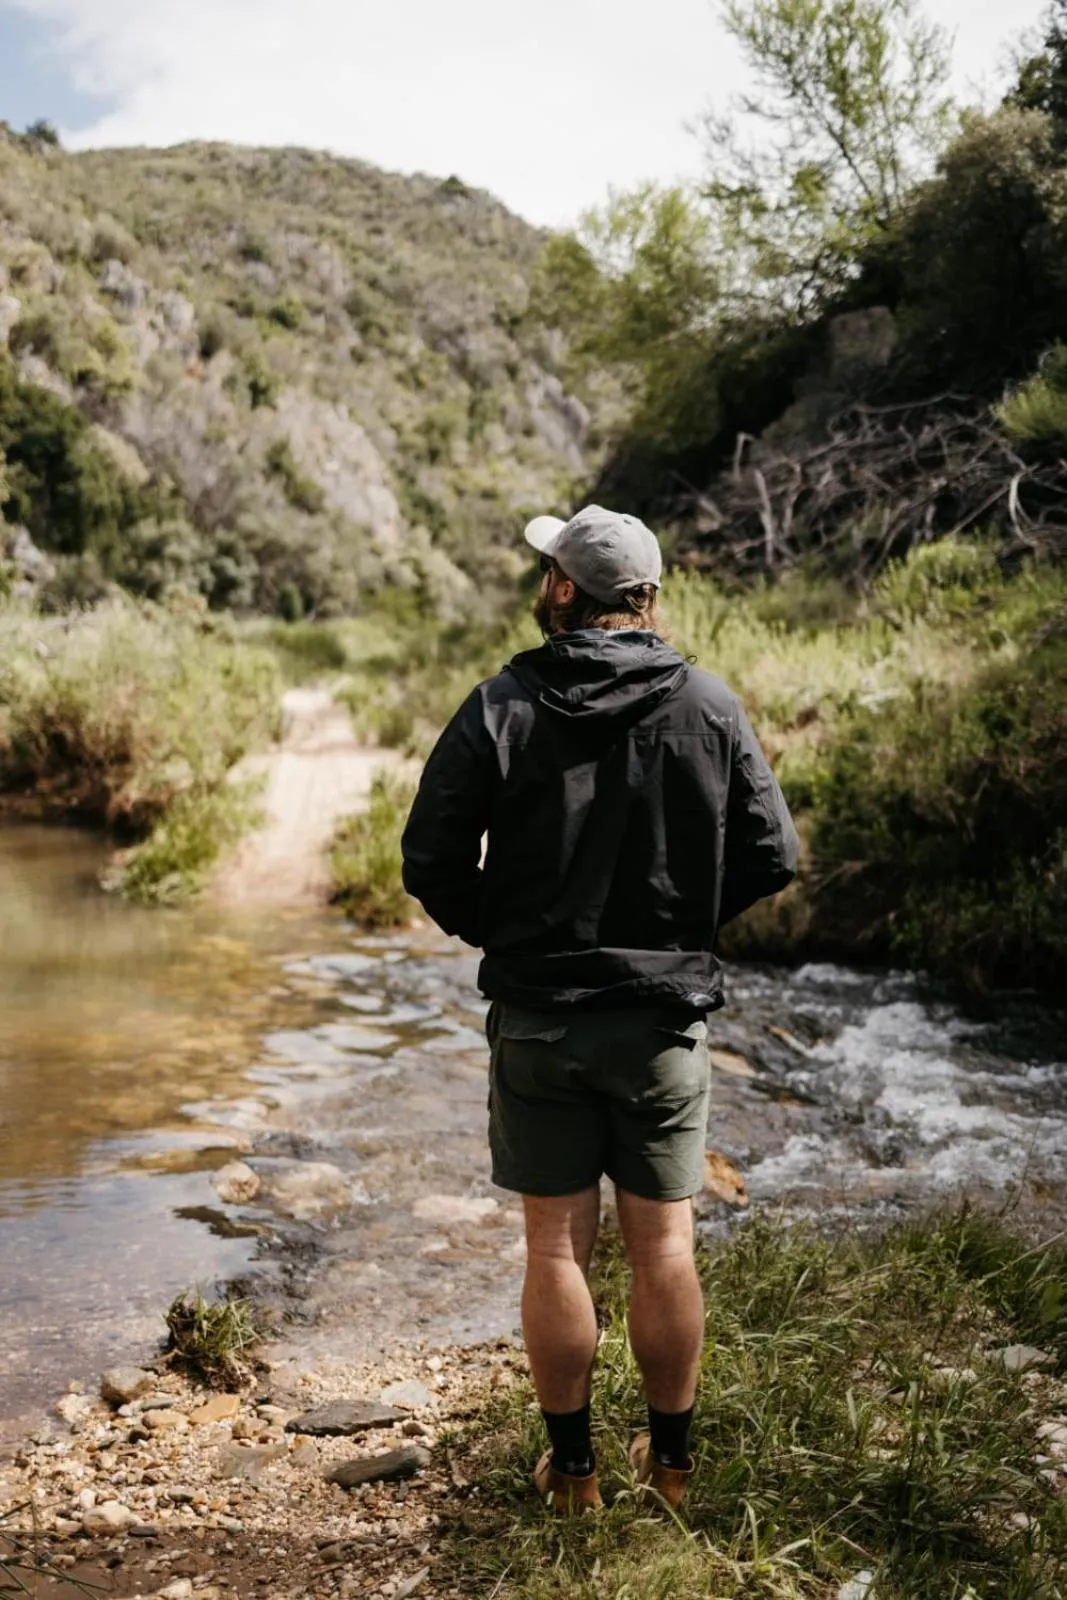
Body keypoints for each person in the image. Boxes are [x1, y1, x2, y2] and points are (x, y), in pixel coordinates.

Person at [401, 505, 798, 1513]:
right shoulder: (707, 703)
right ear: (649, 598)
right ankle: (668, 1467)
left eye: (549, 571)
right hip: (662, 1021)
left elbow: (427, 856)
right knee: (664, 1246)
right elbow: (773, 854)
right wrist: (681, 928)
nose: (542, 583)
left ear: (568, 590)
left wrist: (503, 932)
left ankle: (571, 1473)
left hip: (539, 1018)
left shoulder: (500, 703)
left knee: (551, 1248)